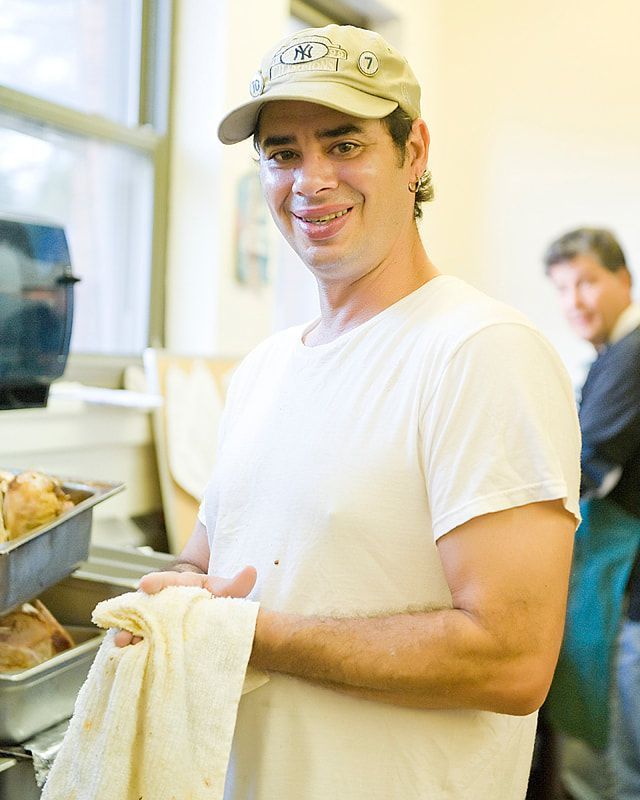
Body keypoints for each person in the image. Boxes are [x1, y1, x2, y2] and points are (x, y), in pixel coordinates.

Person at [117, 24, 581, 799]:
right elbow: (207, 560)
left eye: (343, 144)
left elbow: (512, 659)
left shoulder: (481, 351)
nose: (310, 180)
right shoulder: (266, 369)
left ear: (415, 152)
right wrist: (170, 599)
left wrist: (248, 635)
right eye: (283, 153)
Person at [544, 228, 640, 800]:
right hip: (615, 589)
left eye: (587, 282)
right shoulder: (610, 358)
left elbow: (587, 464)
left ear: (624, 281)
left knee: (618, 773)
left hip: (629, 602)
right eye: (561, 288)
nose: (574, 301)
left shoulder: (633, 356)